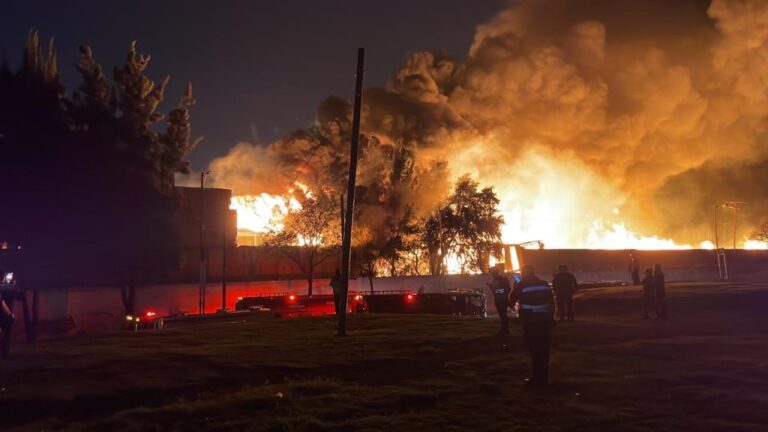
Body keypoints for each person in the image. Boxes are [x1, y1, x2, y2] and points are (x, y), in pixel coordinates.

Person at [509, 264, 555, 387]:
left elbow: (511, 301)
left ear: (524, 273)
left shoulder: (521, 285)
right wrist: (551, 318)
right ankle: (544, 379)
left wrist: (515, 291)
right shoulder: (544, 284)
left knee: (534, 350)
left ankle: (536, 380)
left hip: (530, 321)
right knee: (544, 351)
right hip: (544, 321)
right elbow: (552, 302)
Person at [486, 265, 511, 336]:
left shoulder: (501, 279)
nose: (491, 274)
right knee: (502, 316)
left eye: (491, 273)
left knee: (503, 316)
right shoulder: (496, 279)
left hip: (502, 300)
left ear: (494, 272)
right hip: (498, 299)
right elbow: (495, 290)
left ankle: (505, 331)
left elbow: (506, 289)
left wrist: (496, 291)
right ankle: (504, 330)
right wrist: (491, 286)